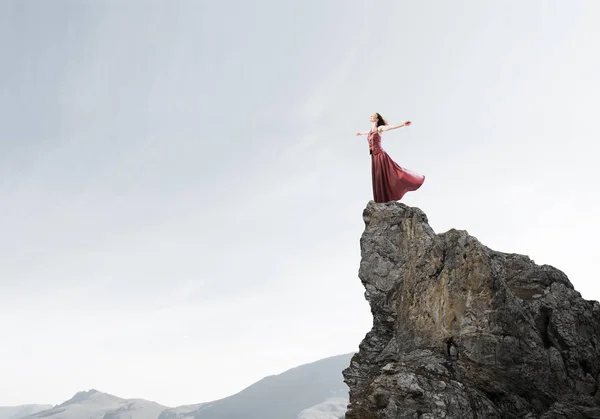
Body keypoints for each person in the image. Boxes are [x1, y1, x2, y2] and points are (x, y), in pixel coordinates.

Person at [356, 113, 425, 203]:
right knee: (378, 177)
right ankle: (382, 199)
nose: (370, 117)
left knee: (393, 172)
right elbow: (366, 133)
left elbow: (391, 127)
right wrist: (360, 133)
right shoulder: (370, 131)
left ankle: (413, 180)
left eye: (372, 116)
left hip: (380, 155)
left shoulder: (380, 128)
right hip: (374, 157)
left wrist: (403, 124)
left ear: (377, 119)